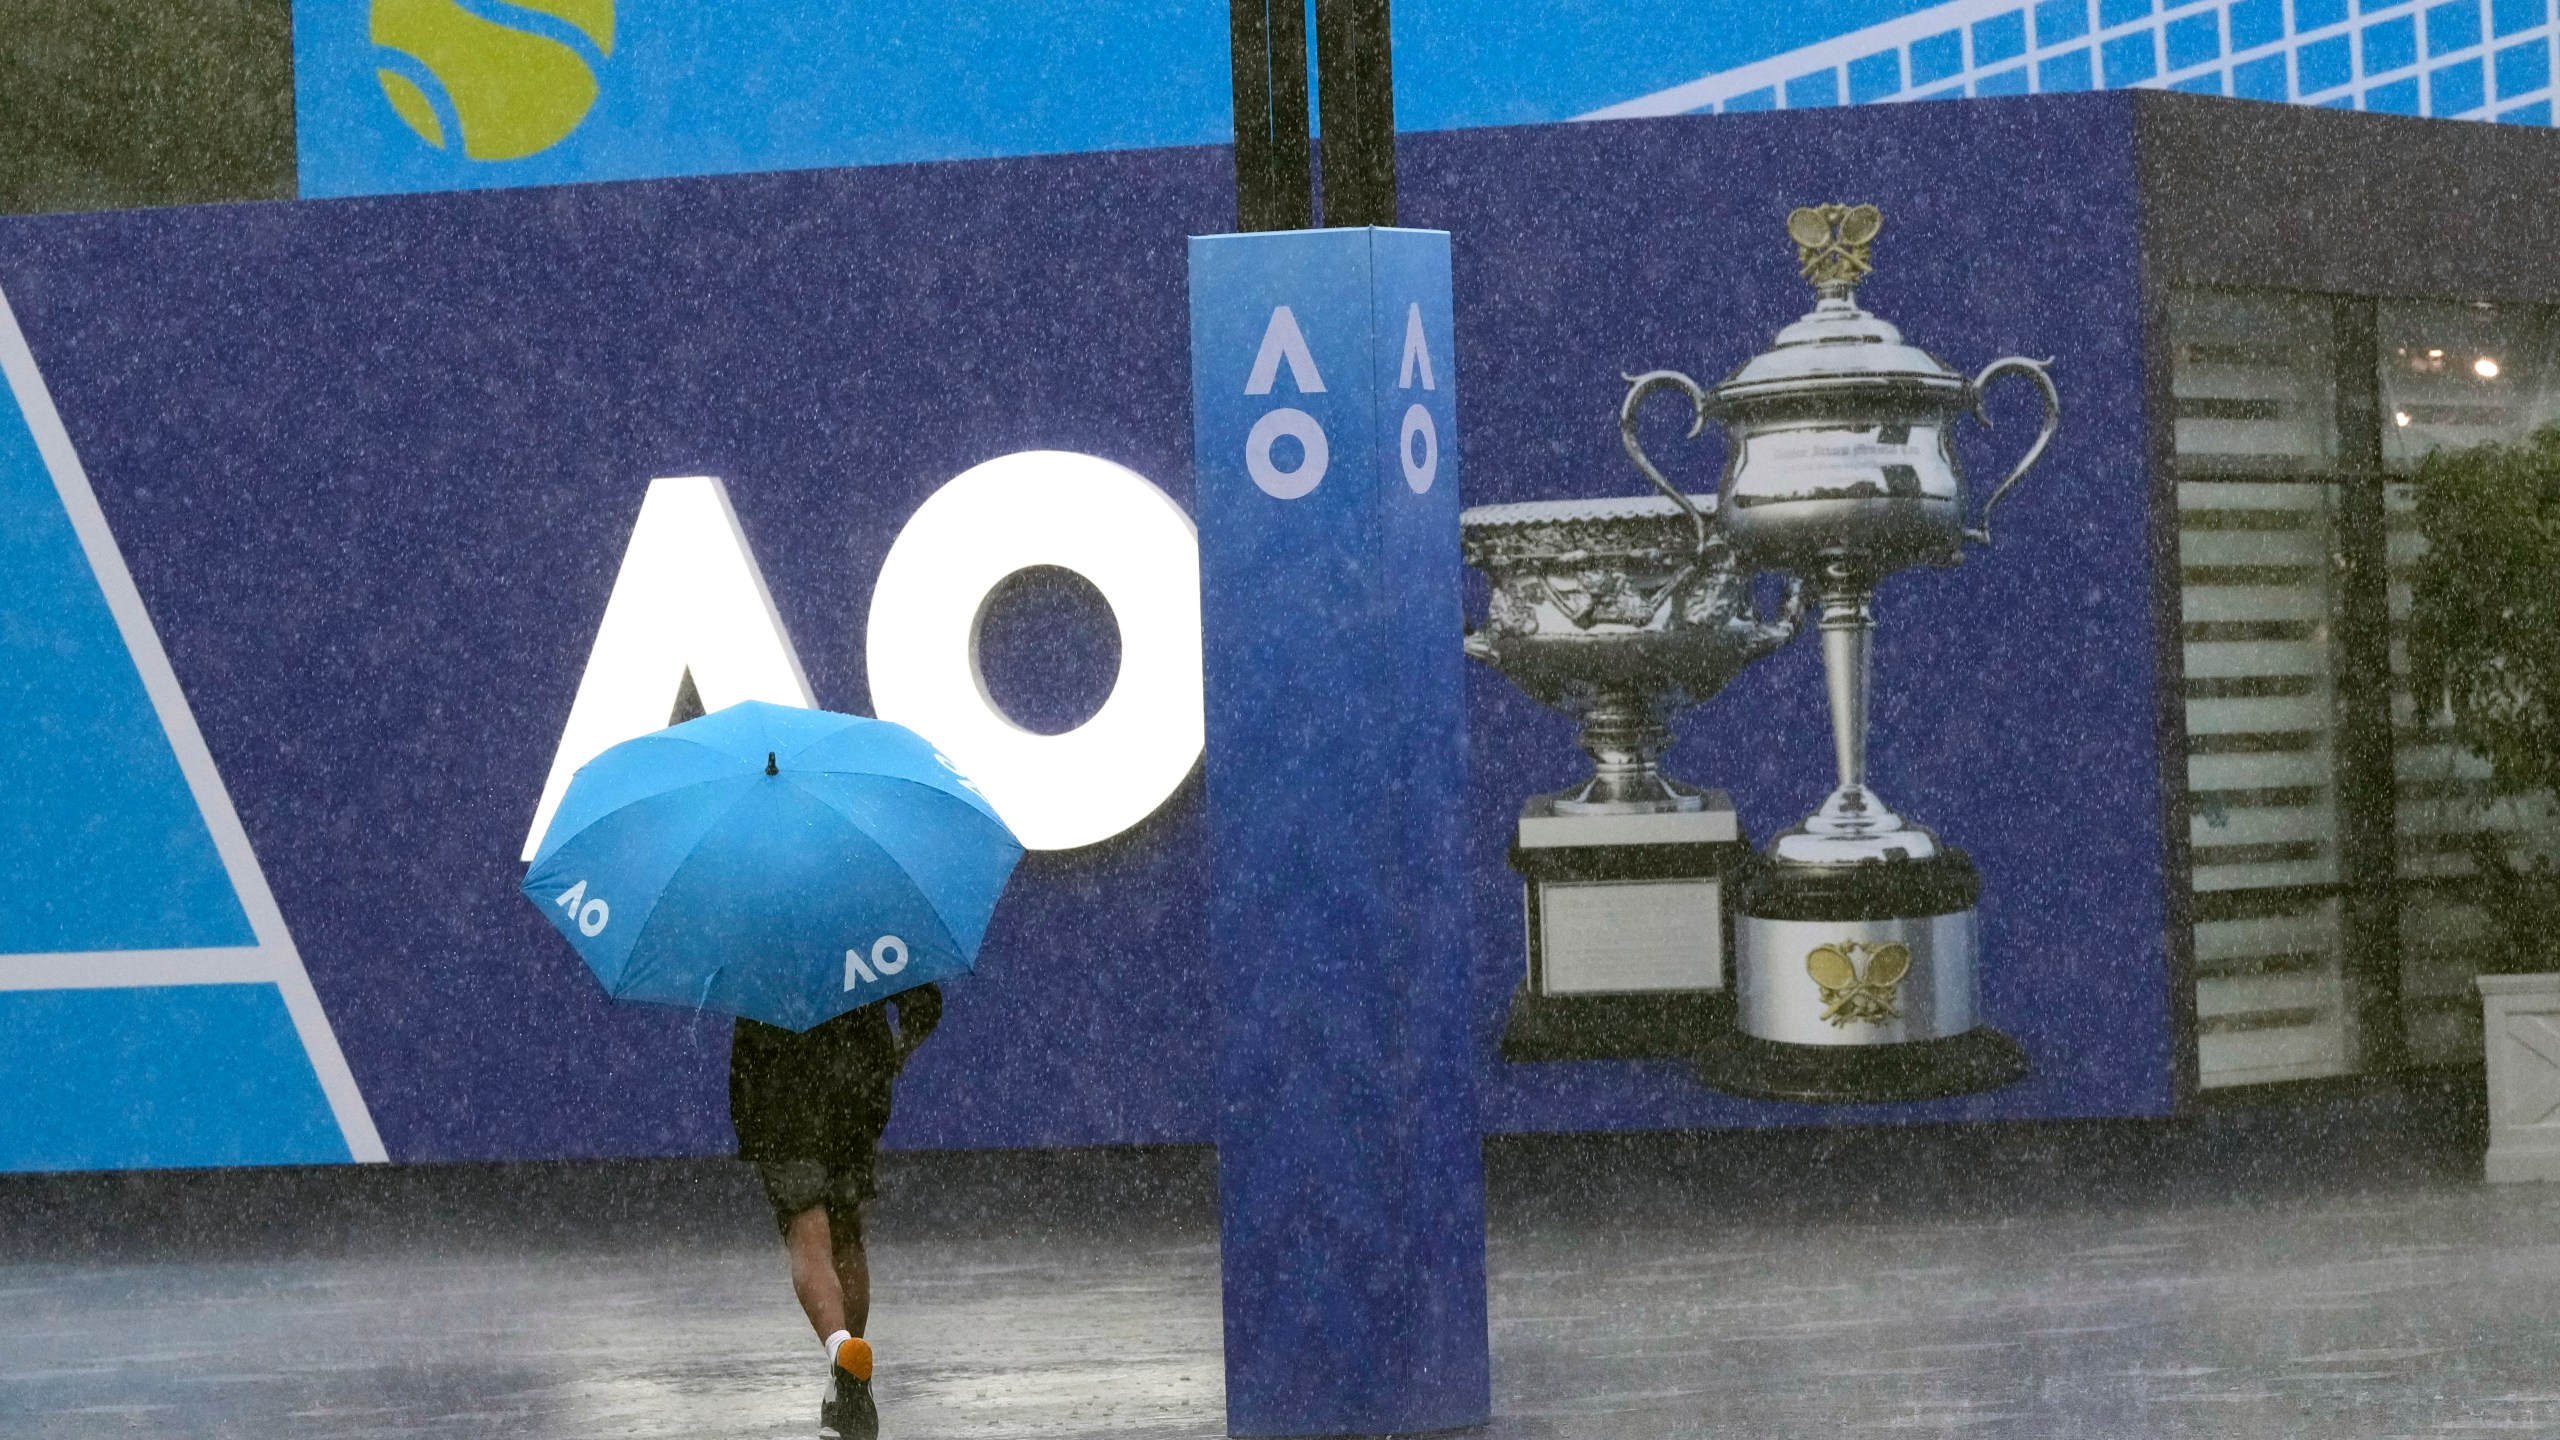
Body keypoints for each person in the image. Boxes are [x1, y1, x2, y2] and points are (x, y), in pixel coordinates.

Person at [730, 983, 943, 1440]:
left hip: (776, 1077)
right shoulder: (871, 913)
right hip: (856, 1078)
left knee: (809, 1233)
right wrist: (896, 1052)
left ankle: (841, 1350)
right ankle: (849, 1391)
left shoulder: (747, 917)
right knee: (845, 1232)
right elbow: (923, 1006)